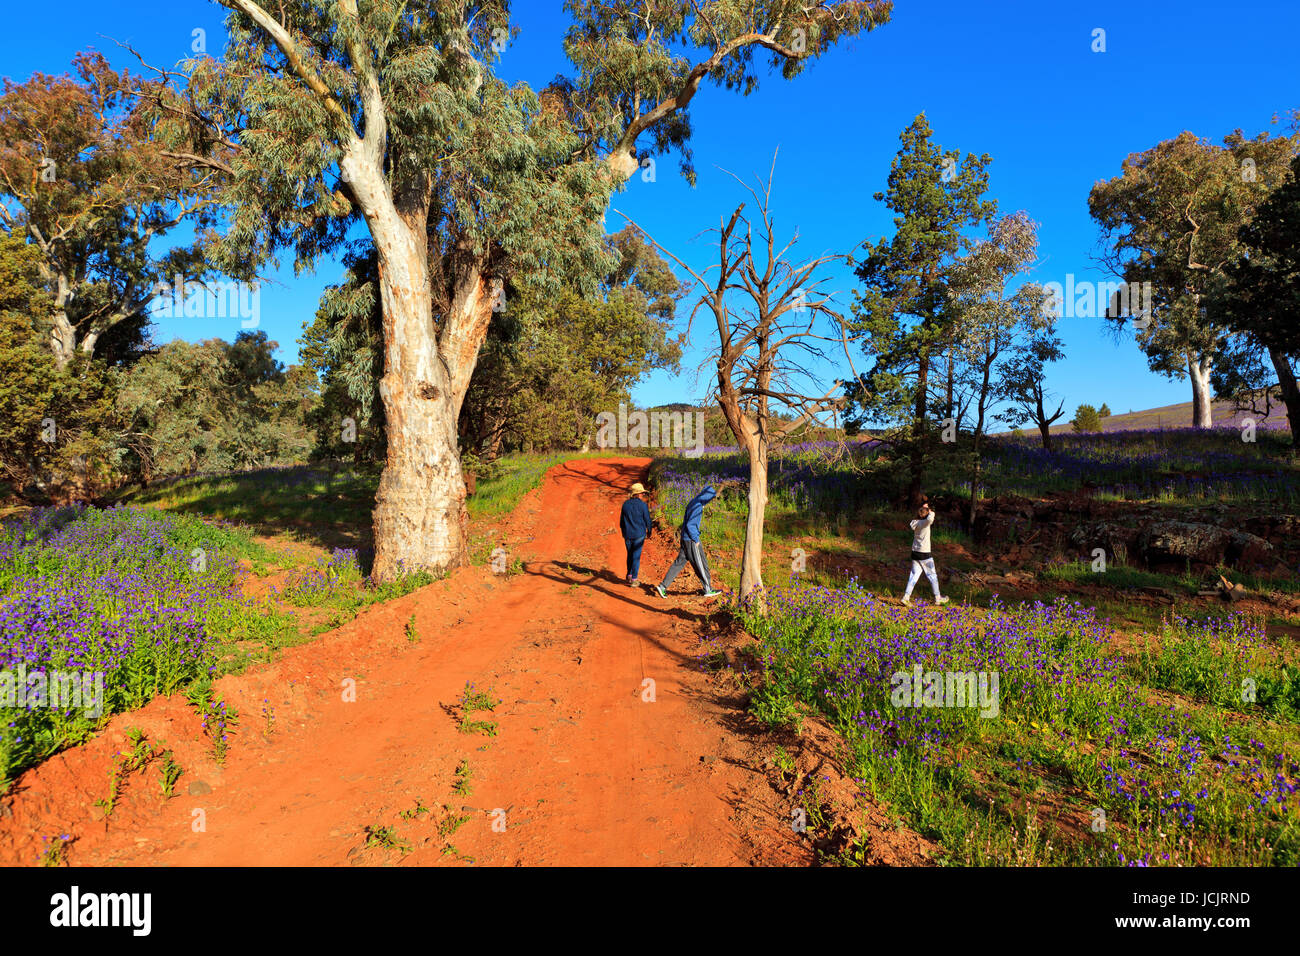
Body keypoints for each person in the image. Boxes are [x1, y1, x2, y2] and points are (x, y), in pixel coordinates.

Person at [656, 484, 721, 598]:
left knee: (678, 564)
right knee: (701, 563)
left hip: (685, 538)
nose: (710, 501)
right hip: (691, 540)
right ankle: (708, 589)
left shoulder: (693, 502)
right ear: (706, 496)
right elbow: (691, 525)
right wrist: (696, 539)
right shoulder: (697, 506)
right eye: (710, 498)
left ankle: (662, 586)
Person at [902, 497, 949, 607]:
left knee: (913, 576)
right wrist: (930, 511)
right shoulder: (924, 523)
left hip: (915, 552)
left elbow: (924, 517)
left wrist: (924, 508)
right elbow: (930, 519)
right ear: (926, 514)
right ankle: (938, 598)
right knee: (932, 575)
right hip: (924, 554)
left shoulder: (915, 522)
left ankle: (906, 597)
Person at [619, 482, 653, 587]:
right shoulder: (643, 505)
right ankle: (634, 578)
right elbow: (647, 520)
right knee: (636, 556)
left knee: (630, 555)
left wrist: (624, 532)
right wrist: (649, 531)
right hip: (639, 534)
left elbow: (621, 522)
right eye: (642, 493)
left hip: (628, 535)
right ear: (638, 494)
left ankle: (629, 575)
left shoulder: (625, 505)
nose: (643, 495)